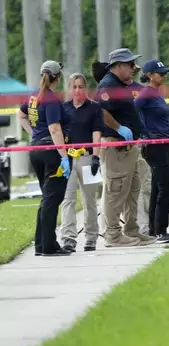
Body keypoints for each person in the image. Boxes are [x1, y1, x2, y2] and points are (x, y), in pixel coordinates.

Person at [95, 48, 156, 247]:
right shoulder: (108, 86)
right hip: (116, 146)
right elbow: (102, 111)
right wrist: (119, 127)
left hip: (129, 147)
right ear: (118, 65)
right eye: (130, 64)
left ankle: (132, 230)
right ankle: (113, 234)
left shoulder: (121, 84)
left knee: (132, 189)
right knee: (116, 190)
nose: (133, 67)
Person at [17, 60, 72, 256]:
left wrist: (33, 135)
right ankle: (48, 246)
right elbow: (54, 128)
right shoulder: (50, 99)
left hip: (36, 150)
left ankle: (41, 244)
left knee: (47, 199)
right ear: (58, 77)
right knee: (52, 199)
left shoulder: (33, 96)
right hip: (51, 151)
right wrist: (64, 156)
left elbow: (20, 114)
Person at [59, 73, 104, 252]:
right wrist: (62, 157)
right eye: (74, 87)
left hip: (87, 157)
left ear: (85, 88)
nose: (77, 90)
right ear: (69, 89)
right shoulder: (63, 109)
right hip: (68, 159)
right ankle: (68, 238)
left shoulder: (94, 108)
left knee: (89, 200)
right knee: (68, 199)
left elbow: (97, 133)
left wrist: (96, 157)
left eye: (81, 86)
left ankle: (91, 237)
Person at [135, 59, 169, 243]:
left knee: (157, 187)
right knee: (166, 187)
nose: (164, 76)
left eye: (165, 73)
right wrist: (144, 133)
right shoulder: (146, 94)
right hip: (155, 146)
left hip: (165, 144)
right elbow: (132, 112)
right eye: (161, 73)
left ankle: (154, 229)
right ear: (150, 75)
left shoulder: (156, 94)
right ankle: (161, 231)